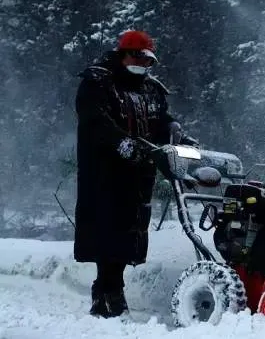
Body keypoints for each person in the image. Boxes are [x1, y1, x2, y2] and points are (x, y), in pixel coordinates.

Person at [73, 30, 197, 319]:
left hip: (139, 173)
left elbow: (161, 120)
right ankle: (106, 292)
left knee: (130, 231)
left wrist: (176, 131)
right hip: (104, 173)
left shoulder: (150, 89)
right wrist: (125, 144)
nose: (144, 64)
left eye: (148, 59)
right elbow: (95, 122)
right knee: (107, 230)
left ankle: (114, 288)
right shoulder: (98, 82)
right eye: (139, 57)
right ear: (124, 53)